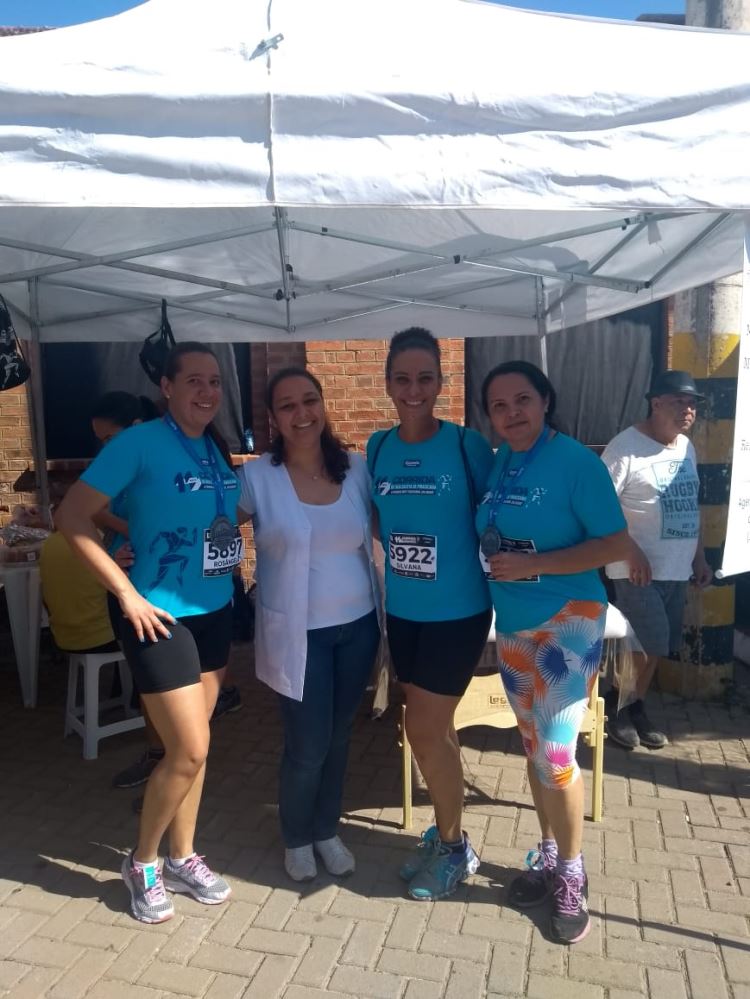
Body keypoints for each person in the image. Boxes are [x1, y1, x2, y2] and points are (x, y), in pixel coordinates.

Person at [57, 342, 241, 924]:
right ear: (166, 386)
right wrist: (126, 590)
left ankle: (183, 856)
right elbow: (71, 515)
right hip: (154, 612)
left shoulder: (213, 448)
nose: (207, 391)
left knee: (200, 744)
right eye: (194, 381)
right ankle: (143, 861)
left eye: (214, 381)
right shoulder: (137, 442)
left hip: (212, 607)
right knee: (187, 748)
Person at [477, 360, 628, 945]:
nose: (512, 413)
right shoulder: (500, 464)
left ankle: (571, 872)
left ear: (544, 400)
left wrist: (538, 564)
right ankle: (546, 852)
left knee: (558, 754)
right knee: (534, 746)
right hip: (514, 625)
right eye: (499, 406)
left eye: (522, 400)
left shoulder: (577, 462)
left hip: (570, 623)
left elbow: (614, 542)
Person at [237, 367, 380, 882]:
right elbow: (211, 529)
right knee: (307, 744)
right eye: (288, 406)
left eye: (309, 401)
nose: (302, 414)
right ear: (273, 417)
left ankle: (326, 829)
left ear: (323, 405)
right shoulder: (257, 478)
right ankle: (296, 835)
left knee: (340, 736)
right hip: (298, 634)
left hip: (359, 627)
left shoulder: (358, 470)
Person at [367, 327, 493, 901]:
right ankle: (446, 831)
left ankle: (453, 846)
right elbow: (377, 519)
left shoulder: (467, 446)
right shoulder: (378, 447)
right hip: (406, 613)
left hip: (458, 612)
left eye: (424, 378)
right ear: (388, 384)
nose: (412, 389)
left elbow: (499, 518)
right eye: (402, 378)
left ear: (440, 383)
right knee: (431, 730)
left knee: (422, 728)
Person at [601, 370, 713, 750]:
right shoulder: (624, 448)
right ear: (657, 403)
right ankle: (619, 710)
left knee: (654, 646)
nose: (688, 410)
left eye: (693, 403)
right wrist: (628, 551)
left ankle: (632, 706)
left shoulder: (686, 447)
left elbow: (690, 506)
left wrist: (699, 558)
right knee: (646, 643)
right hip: (634, 566)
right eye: (680, 401)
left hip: (677, 565)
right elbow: (600, 510)